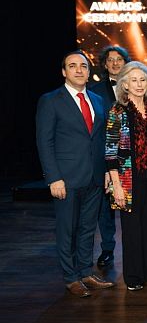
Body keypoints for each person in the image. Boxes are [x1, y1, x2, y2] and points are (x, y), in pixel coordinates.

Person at [36, 50, 115, 297]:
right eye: (72, 66)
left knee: (88, 228)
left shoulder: (97, 99)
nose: (79, 70)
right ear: (64, 72)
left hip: (94, 175)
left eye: (83, 65)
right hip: (66, 178)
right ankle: (70, 277)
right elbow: (44, 142)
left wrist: (105, 171)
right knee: (67, 229)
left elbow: (99, 138)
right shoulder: (51, 100)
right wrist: (53, 178)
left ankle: (85, 271)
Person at [105, 61, 147, 291]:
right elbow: (111, 151)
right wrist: (117, 185)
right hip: (128, 178)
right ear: (125, 85)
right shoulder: (118, 111)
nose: (139, 84)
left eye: (143, 79)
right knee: (132, 228)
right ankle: (133, 276)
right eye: (134, 80)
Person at [90, 45, 131, 268]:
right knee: (105, 207)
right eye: (110, 60)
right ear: (105, 64)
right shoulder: (94, 90)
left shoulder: (136, 87)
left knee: (131, 205)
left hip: (131, 156)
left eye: (119, 59)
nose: (115, 63)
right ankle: (108, 248)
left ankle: (135, 249)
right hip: (105, 154)